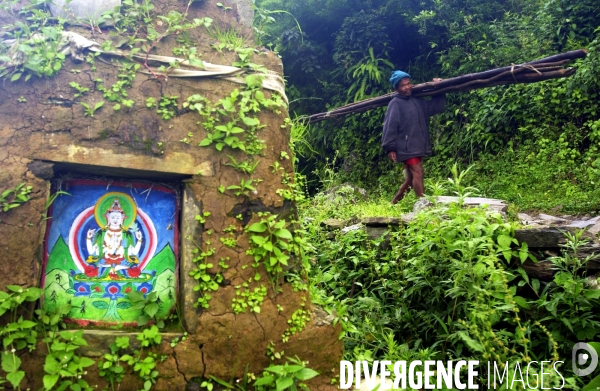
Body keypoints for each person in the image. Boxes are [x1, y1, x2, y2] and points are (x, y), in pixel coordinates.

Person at [381, 70, 446, 204]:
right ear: (396, 88)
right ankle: (423, 205)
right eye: (402, 86)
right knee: (418, 172)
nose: (407, 87)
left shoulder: (417, 100)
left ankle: (392, 204)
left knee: (410, 179)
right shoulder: (395, 104)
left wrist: (440, 89)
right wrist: (390, 148)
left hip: (417, 145)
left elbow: (435, 107)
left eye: (408, 83)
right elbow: (390, 126)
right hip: (406, 146)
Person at [86, 198, 142, 279]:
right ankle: (111, 269)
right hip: (104, 261)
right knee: (91, 270)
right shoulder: (101, 234)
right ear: (108, 218)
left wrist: (139, 240)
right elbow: (91, 251)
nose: (115, 220)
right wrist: (88, 238)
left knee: (134, 271)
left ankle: (116, 269)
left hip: (122, 261)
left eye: (118, 218)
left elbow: (133, 252)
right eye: (112, 217)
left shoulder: (127, 235)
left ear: (122, 219)